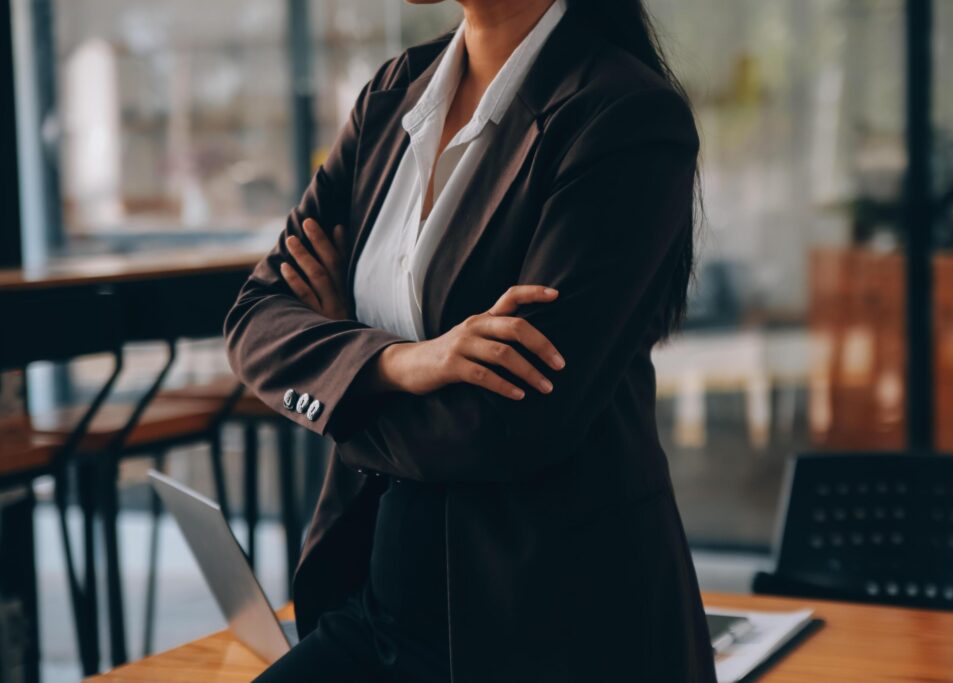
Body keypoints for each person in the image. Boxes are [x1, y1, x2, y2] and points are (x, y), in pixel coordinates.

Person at [225, 0, 715, 680]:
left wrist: (339, 380)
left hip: (555, 627)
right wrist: (399, 361)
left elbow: (510, 422)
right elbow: (254, 317)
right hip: (380, 607)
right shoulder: (396, 91)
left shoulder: (623, 114)